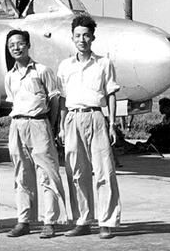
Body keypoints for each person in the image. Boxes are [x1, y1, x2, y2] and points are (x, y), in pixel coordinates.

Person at [57, 14, 121, 240]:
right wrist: (62, 126)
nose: (82, 40)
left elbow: (111, 94)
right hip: (73, 118)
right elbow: (62, 99)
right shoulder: (65, 66)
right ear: (72, 38)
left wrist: (112, 124)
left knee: (104, 171)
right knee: (76, 172)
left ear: (92, 37)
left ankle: (106, 222)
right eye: (77, 36)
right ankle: (82, 220)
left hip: (96, 117)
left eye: (86, 35)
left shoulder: (104, 63)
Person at [4, 30, 67, 239]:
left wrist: (51, 125)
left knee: (47, 174)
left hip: (39, 124)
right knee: (21, 176)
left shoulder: (43, 71)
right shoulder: (10, 76)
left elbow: (54, 100)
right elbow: (13, 101)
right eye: (12, 45)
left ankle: (49, 222)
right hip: (17, 125)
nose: (16, 48)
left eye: (20, 43)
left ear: (28, 45)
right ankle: (24, 221)